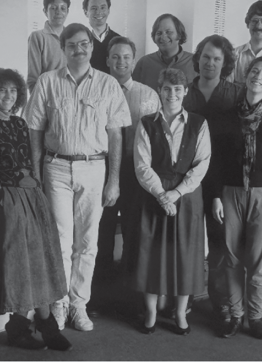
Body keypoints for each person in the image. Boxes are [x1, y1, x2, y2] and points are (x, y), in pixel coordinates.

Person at [23, 23, 131, 332]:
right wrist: (35, 174)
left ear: (91, 47)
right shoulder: (47, 82)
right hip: (55, 167)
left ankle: (78, 304)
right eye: (72, 45)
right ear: (63, 48)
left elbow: (116, 136)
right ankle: (59, 303)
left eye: (84, 44)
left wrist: (114, 180)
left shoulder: (108, 85)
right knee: (60, 240)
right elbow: (35, 130)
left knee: (88, 242)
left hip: (94, 168)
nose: (79, 50)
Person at [0, 69, 72, 351]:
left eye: (13, 91)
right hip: (7, 202)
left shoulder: (18, 123)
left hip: (32, 198)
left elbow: (28, 161)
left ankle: (46, 322)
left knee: (40, 262)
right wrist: (1, 196)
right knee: (18, 265)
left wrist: (35, 188)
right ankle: (18, 327)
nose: (8, 96)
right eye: (3, 91)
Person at [215, 57, 262, 339]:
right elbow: (219, 159)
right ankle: (235, 315)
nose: (258, 76)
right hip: (230, 192)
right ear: (245, 75)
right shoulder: (228, 114)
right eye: (254, 71)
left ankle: (255, 317)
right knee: (232, 258)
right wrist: (215, 196)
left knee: (259, 263)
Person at [132, 68, 211, 335]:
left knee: (185, 255)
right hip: (155, 195)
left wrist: (176, 194)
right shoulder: (147, 123)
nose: (172, 94)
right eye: (167, 89)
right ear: (160, 91)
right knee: (153, 255)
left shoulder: (199, 124)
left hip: (187, 197)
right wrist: (161, 195)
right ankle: (152, 312)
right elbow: (142, 165)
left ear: (185, 91)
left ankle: (180, 313)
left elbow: (202, 164)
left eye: (178, 89)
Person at [183, 34, 242, 323]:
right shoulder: (184, 92)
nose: (210, 62)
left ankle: (221, 305)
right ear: (198, 58)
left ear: (225, 62)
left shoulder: (236, 94)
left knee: (219, 243)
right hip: (187, 178)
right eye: (206, 56)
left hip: (222, 180)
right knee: (186, 239)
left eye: (217, 58)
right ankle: (184, 298)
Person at [94, 36, 159, 283]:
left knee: (134, 233)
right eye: (116, 57)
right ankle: (100, 292)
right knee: (102, 232)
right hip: (102, 170)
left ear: (134, 62)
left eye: (126, 57)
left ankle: (130, 292)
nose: (121, 62)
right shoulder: (96, 91)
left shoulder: (150, 96)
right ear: (108, 60)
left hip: (135, 172)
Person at [133, 14, 197, 92]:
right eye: (159, 33)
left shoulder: (194, 63)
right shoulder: (144, 63)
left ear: (179, 35)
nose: (163, 37)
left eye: (168, 32)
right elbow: (134, 95)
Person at [27, 0, 70, 93]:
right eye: (53, 8)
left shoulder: (72, 37)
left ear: (67, 11)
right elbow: (33, 80)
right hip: (48, 98)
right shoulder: (37, 37)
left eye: (62, 8)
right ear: (45, 11)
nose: (58, 12)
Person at [83, 0, 120, 74]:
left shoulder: (119, 41)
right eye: (94, 8)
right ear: (86, 12)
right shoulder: (81, 42)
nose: (99, 12)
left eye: (103, 7)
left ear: (108, 10)